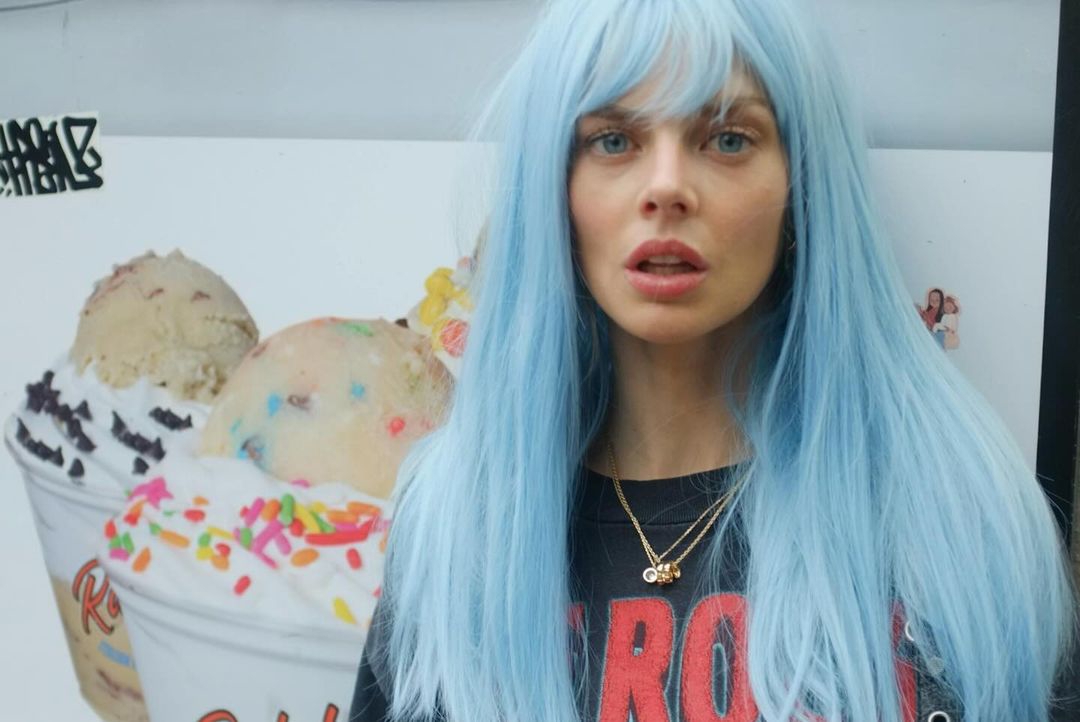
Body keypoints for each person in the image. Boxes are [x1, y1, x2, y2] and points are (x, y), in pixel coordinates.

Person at [351, 1, 1079, 720]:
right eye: (613, 140)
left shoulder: (954, 518)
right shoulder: (458, 530)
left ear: (801, 186)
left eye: (728, 139)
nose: (666, 187)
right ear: (554, 191)